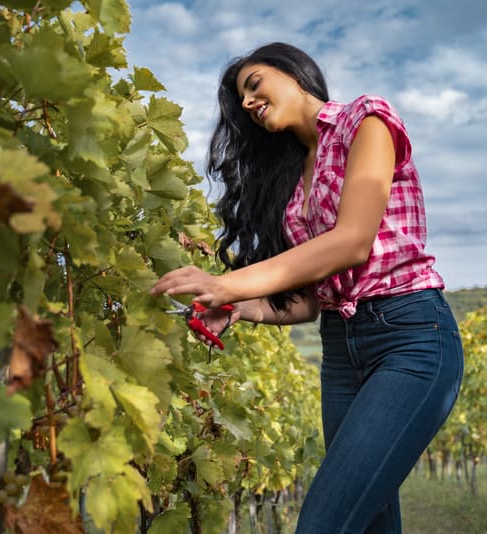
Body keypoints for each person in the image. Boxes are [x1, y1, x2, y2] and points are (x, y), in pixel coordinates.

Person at [150, 42, 464, 534]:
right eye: (243, 103)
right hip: (341, 351)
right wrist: (240, 306)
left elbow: (352, 242)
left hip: (410, 337)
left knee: (322, 524)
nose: (249, 103)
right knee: (369, 525)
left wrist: (225, 283)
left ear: (295, 73)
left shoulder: (365, 120)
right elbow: (309, 300)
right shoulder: (293, 183)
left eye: (254, 85)